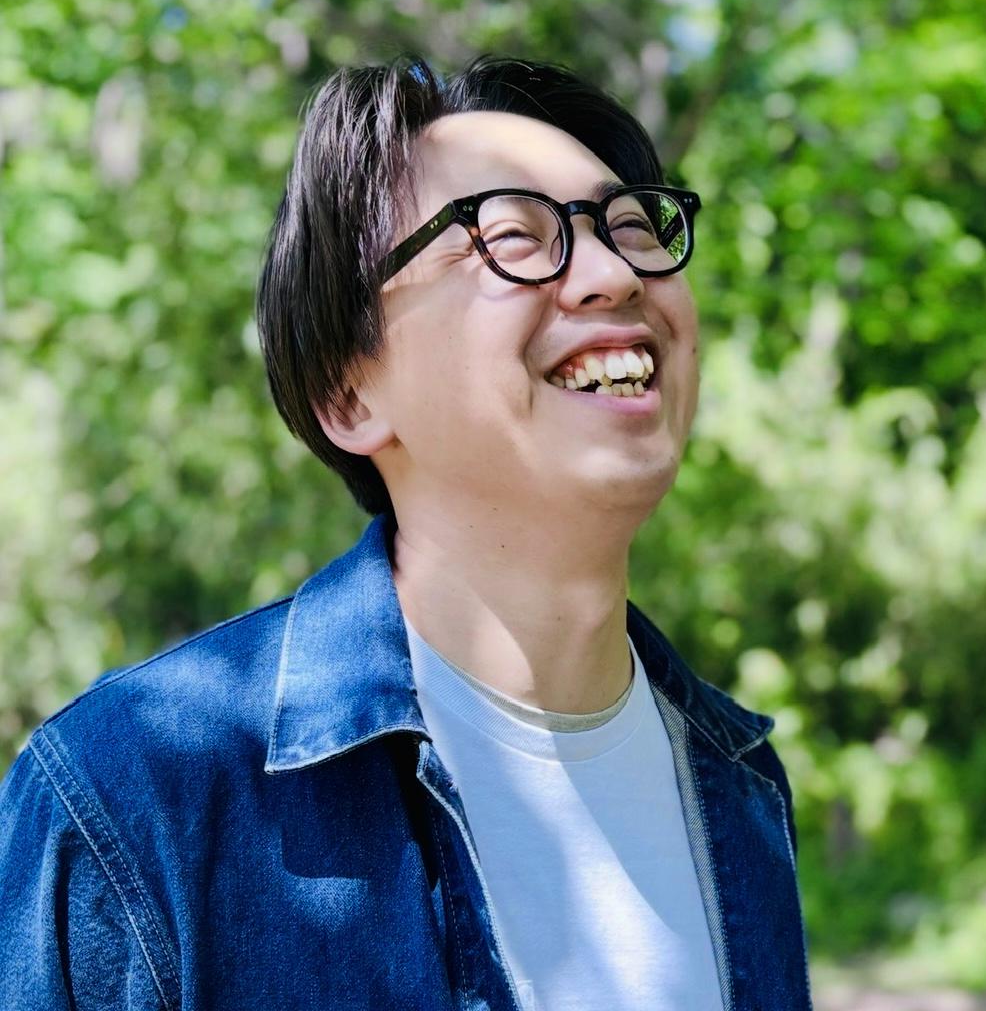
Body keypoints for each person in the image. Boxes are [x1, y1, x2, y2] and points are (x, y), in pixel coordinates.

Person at [0, 55, 813, 1010]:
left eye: (632, 226)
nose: (611, 273)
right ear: (350, 395)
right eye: (511, 236)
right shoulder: (132, 795)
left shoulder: (740, 782)